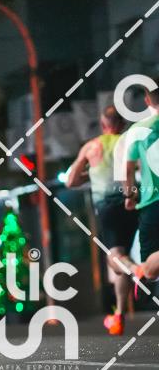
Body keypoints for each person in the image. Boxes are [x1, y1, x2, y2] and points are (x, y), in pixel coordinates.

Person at [66, 105, 138, 335]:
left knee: (115, 258)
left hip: (107, 207)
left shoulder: (92, 146)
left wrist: (91, 172)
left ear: (103, 124)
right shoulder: (128, 142)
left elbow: (70, 181)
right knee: (121, 257)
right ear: (122, 125)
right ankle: (119, 314)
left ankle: (138, 270)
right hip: (132, 203)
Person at [125, 79, 159, 295]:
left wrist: (129, 195)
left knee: (149, 270)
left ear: (147, 100)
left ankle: (140, 269)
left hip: (152, 203)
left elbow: (127, 169)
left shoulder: (138, 130)